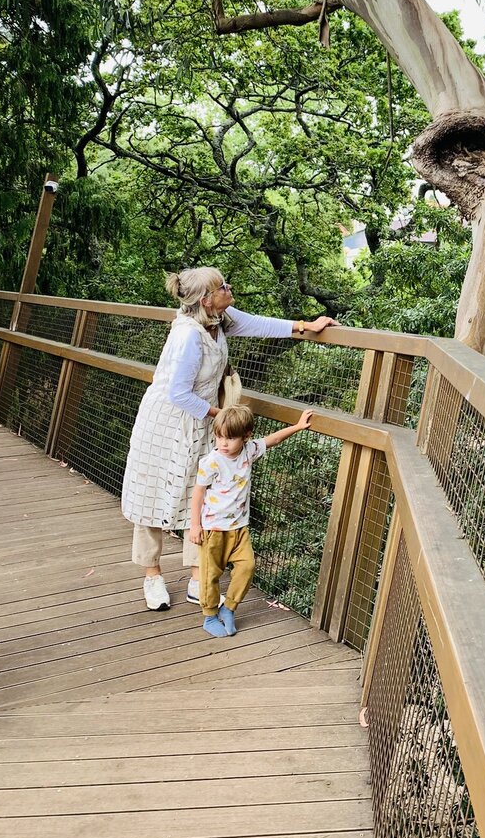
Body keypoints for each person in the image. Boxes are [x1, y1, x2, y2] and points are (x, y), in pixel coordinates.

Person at [121, 267, 336, 610]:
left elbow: (257, 323)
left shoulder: (219, 318)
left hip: (203, 422)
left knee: (203, 497)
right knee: (153, 496)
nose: (229, 287)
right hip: (166, 423)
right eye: (222, 286)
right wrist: (219, 415)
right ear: (206, 299)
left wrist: (302, 326)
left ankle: (198, 580)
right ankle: (152, 576)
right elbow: (178, 393)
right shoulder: (188, 335)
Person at [189, 404, 314, 637]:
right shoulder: (211, 462)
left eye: (230, 438)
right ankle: (209, 616)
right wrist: (194, 525)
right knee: (210, 574)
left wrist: (297, 426)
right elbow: (197, 493)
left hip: (239, 528)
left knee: (247, 566)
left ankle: (229, 608)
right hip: (213, 529)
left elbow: (273, 439)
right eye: (219, 437)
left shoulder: (249, 450)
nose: (223, 443)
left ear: (246, 437)